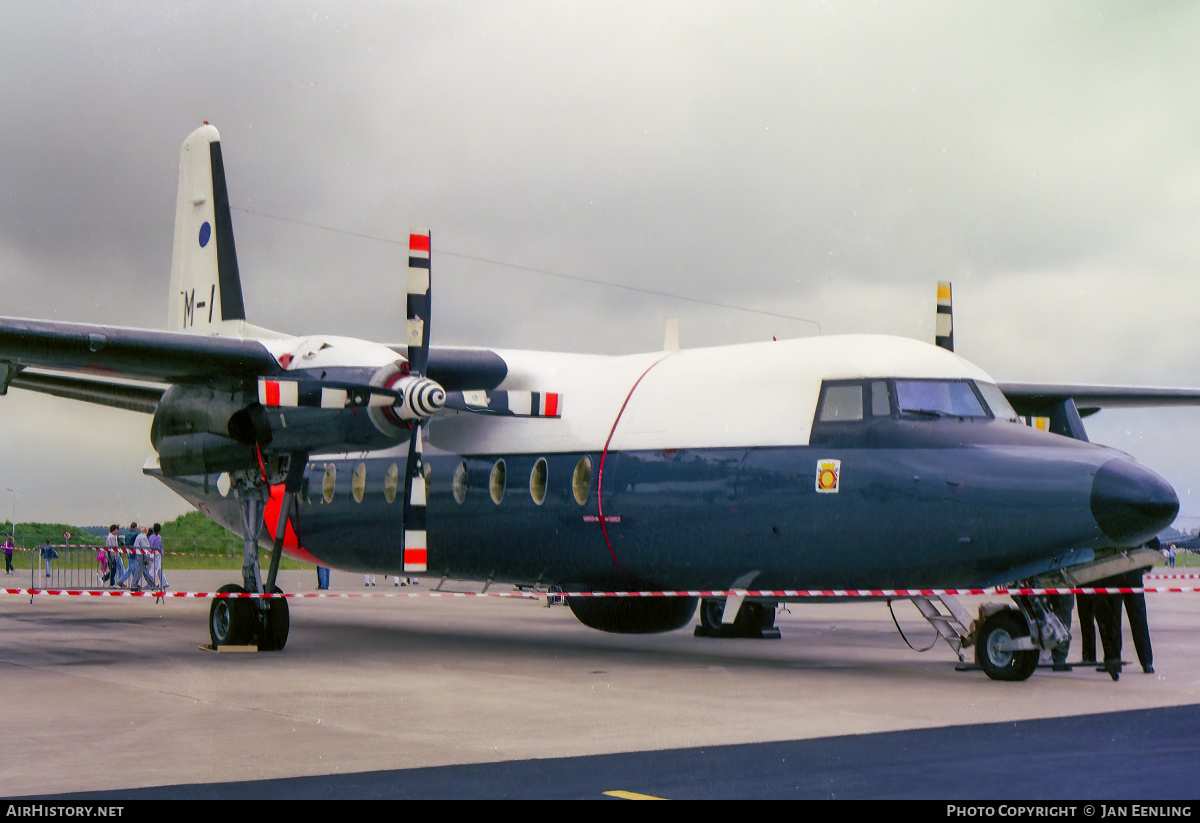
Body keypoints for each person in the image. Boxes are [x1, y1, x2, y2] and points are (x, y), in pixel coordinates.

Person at [148, 523, 167, 589]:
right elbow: (161, 546)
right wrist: (162, 553)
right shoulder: (159, 537)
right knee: (155, 569)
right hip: (157, 554)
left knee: (157, 569)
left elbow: (149, 545)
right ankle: (150, 582)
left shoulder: (151, 537)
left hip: (152, 554)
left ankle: (164, 582)